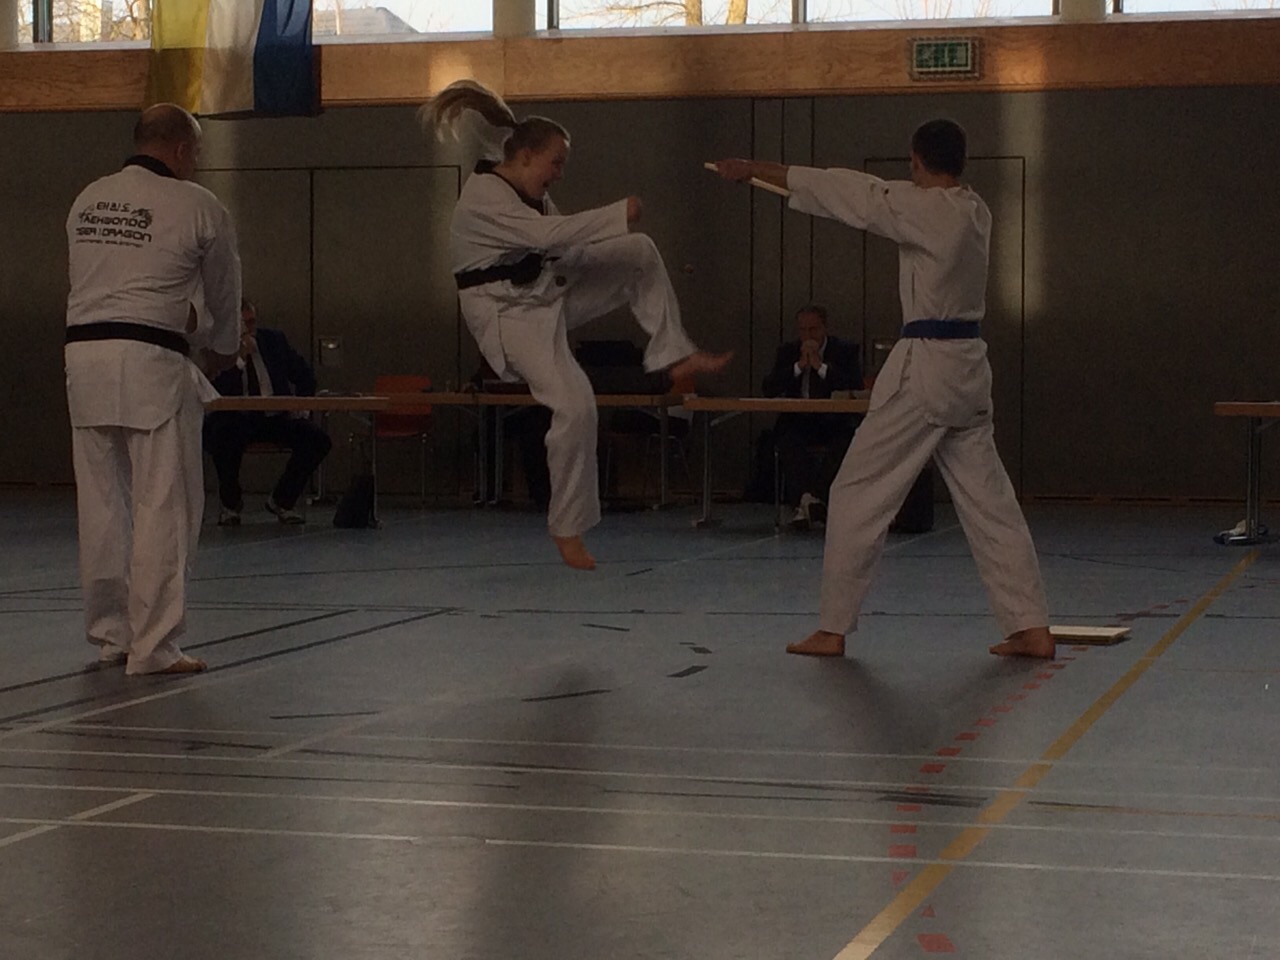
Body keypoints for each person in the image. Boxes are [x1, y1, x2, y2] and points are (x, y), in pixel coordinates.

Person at [713, 119, 1055, 660]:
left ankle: (833, 628)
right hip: (969, 370)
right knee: (992, 505)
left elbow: (846, 192)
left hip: (927, 371)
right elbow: (858, 193)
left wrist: (756, 169)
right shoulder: (975, 210)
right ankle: (1030, 626)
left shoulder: (924, 209)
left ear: (917, 161)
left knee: (856, 491)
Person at [423, 80, 731, 571]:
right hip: (507, 317)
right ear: (526, 156)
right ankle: (566, 527)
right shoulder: (483, 198)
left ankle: (674, 352)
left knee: (638, 252)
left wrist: (610, 249)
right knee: (575, 404)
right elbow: (552, 236)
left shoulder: (530, 196)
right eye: (556, 163)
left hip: (545, 294)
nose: (559, 174)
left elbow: (566, 247)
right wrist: (615, 215)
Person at [64, 103, 242, 676]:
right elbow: (225, 292)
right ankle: (155, 646)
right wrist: (222, 344)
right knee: (163, 503)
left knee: (102, 505)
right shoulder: (198, 205)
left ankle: (112, 635)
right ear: (183, 149)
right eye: (198, 152)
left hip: (84, 359)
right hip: (151, 361)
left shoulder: (88, 199)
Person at [204, 299, 332, 525]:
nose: (249, 329)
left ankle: (282, 500)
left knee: (317, 440)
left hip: (274, 416)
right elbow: (215, 388)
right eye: (243, 324)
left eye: (252, 322)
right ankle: (231, 504)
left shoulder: (274, 341)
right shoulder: (219, 348)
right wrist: (239, 359)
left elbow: (304, 375)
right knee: (223, 435)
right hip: (237, 418)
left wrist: (301, 407)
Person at [762, 304, 863, 530]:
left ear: (825, 328)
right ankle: (812, 502)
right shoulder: (788, 351)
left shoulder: (845, 350)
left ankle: (810, 499)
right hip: (798, 421)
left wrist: (820, 366)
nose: (808, 336)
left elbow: (854, 385)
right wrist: (798, 367)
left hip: (833, 421)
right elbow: (769, 388)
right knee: (787, 440)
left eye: (813, 329)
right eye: (803, 330)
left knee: (846, 441)